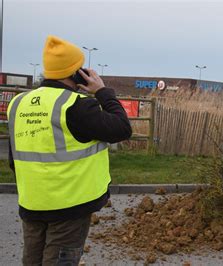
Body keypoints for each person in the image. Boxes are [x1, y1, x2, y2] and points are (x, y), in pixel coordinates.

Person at [7, 35, 132, 265]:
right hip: (69, 210)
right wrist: (103, 92)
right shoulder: (76, 106)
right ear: (76, 73)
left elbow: (14, 159)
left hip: (32, 205)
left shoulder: (18, 104)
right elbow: (122, 128)